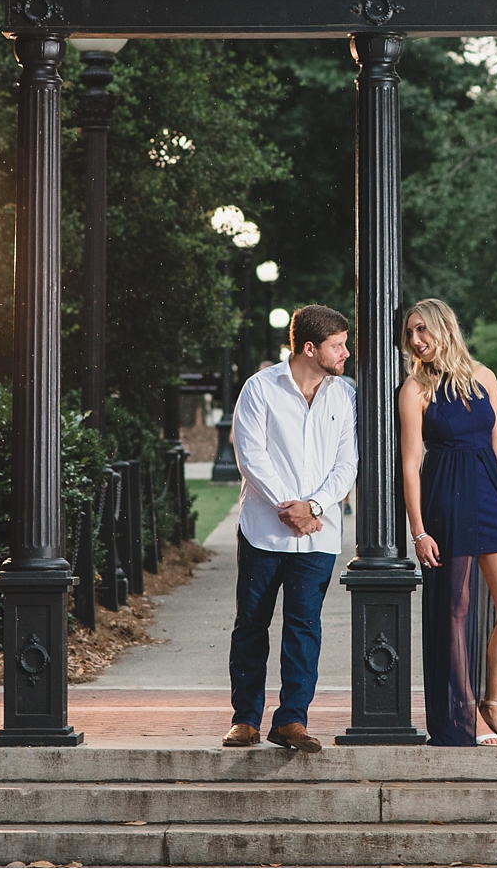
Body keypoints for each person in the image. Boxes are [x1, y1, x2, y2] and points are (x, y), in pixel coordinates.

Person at [221, 304, 357, 753]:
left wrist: (313, 505)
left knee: (304, 626)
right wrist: (289, 507)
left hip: (319, 532)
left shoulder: (345, 395)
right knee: (252, 625)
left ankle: (292, 720)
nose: (347, 353)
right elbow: (251, 456)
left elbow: (347, 463)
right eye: (338, 345)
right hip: (263, 529)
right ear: (309, 347)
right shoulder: (260, 389)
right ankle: (245, 720)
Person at [399, 298, 497, 746]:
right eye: (411, 333)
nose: (416, 340)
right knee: (455, 611)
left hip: (491, 497)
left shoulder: (484, 376)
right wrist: (418, 529)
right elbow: (411, 462)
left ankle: (491, 705)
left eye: (423, 330)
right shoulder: (414, 389)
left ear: (444, 327)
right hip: (446, 499)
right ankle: (462, 716)